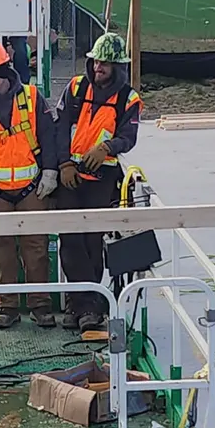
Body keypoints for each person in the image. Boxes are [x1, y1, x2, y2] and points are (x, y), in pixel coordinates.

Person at [0, 40, 59, 330]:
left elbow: (48, 136)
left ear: (5, 70)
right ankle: (7, 308)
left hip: (32, 187)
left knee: (36, 247)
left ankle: (41, 307)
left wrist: (50, 172)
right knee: (1, 249)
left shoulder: (31, 98)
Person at [54, 32, 143, 333]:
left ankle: (85, 306)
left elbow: (128, 137)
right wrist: (65, 163)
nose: (97, 69)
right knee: (71, 241)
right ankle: (81, 305)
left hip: (102, 178)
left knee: (93, 242)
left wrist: (107, 148)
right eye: (95, 62)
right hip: (71, 176)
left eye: (105, 64)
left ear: (117, 67)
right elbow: (60, 127)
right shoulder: (76, 88)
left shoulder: (128, 99)